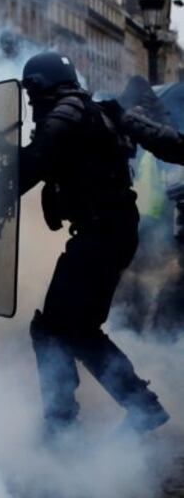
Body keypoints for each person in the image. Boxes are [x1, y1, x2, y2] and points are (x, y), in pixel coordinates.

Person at [19, 52, 184, 438]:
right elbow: (167, 141)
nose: (30, 104)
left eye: (31, 94)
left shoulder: (66, 112)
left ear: (42, 87)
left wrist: (0, 178)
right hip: (112, 231)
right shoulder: (101, 110)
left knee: (56, 329)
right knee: (73, 327)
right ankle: (134, 408)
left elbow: (34, 162)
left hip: (100, 234)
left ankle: (66, 424)